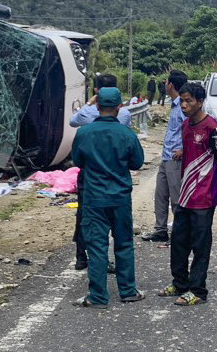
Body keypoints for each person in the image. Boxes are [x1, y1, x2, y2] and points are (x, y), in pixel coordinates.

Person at [70, 87, 146, 309]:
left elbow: (77, 161)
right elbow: (137, 163)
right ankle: (128, 291)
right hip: (121, 197)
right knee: (124, 243)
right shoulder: (126, 134)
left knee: (97, 246)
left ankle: (98, 296)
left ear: (97, 106)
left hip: (95, 198)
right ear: (119, 107)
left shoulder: (84, 133)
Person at [158, 81, 217, 306]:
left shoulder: (212, 128)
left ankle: (198, 290)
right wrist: (182, 151)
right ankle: (180, 283)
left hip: (204, 197)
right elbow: (193, 148)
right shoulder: (186, 126)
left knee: (201, 245)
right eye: (182, 100)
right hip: (185, 196)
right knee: (179, 241)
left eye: (189, 101)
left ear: (200, 102)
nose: (184, 105)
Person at [70, 74, 131, 270]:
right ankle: (123, 279)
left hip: (90, 176)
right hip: (117, 175)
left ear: (97, 94)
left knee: (86, 215)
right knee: (118, 223)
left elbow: (73, 123)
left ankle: (82, 257)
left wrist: (90, 102)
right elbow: (134, 156)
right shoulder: (125, 115)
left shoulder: (86, 115)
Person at [140, 69, 187, 242]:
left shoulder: (183, 106)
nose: (164, 84)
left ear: (171, 85)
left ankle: (180, 232)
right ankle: (160, 229)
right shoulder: (174, 105)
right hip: (166, 156)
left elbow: (189, 130)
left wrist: (183, 150)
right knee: (160, 194)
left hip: (176, 158)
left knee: (176, 197)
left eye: (166, 82)